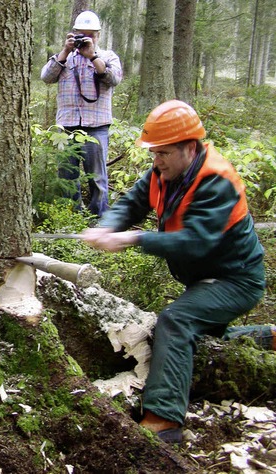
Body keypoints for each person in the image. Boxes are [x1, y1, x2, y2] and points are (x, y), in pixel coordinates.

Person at [82, 100, 266, 443]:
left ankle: (164, 420)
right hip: (204, 278)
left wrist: (134, 238)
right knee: (204, 337)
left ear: (189, 148)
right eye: (154, 153)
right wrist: (106, 226)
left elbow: (196, 242)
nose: (156, 161)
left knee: (176, 321)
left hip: (236, 280)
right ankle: (268, 338)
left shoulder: (217, 181)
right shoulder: (163, 174)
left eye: (163, 153)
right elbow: (132, 203)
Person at [40, 10, 123, 217]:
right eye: (81, 34)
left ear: (98, 35)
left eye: (91, 35)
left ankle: (100, 219)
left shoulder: (107, 57)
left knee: (97, 177)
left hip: (97, 126)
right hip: (67, 125)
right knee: (67, 175)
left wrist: (93, 56)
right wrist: (65, 51)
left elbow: (113, 79)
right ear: (74, 33)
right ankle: (71, 218)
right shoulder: (65, 58)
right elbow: (46, 77)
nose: (86, 39)